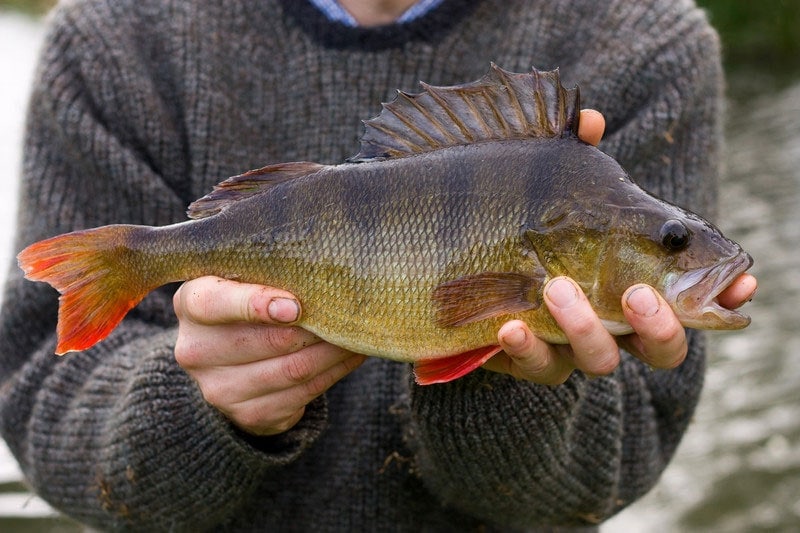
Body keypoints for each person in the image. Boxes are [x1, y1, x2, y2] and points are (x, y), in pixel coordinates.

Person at [0, 0, 757, 530]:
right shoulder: (111, 39)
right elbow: (38, 398)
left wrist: (506, 382)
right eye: (671, 242)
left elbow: (610, 473)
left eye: (671, 241)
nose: (688, 257)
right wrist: (193, 402)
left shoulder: (646, 40)